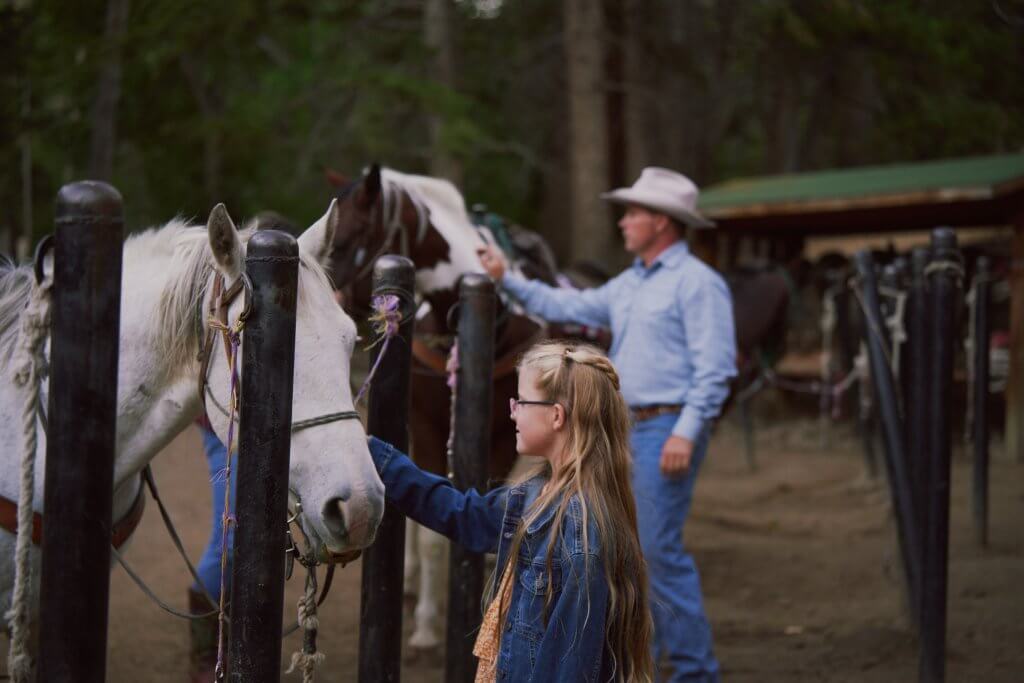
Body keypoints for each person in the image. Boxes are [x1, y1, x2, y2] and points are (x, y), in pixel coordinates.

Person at [478, 167, 736, 682]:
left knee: (656, 549)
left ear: (661, 222)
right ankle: (650, 662)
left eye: (634, 212)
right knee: (629, 547)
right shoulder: (631, 284)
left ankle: (694, 673)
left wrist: (686, 430)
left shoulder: (698, 284)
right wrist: (509, 280)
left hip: (665, 428)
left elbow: (717, 366)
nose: (624, 221)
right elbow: (567, 305)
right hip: (629, 430)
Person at [368, 341, 654, 682]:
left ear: (556, 416)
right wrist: (374, 455)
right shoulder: (532, 495)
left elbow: (570, 665)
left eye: (520, 401)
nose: (513, 411)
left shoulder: (581, 531)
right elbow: (463, 514)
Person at [188, 417, 236, 683]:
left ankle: (230, 642)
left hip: (277, 418)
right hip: (228, 422)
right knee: (230, 540)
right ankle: (208, 652)